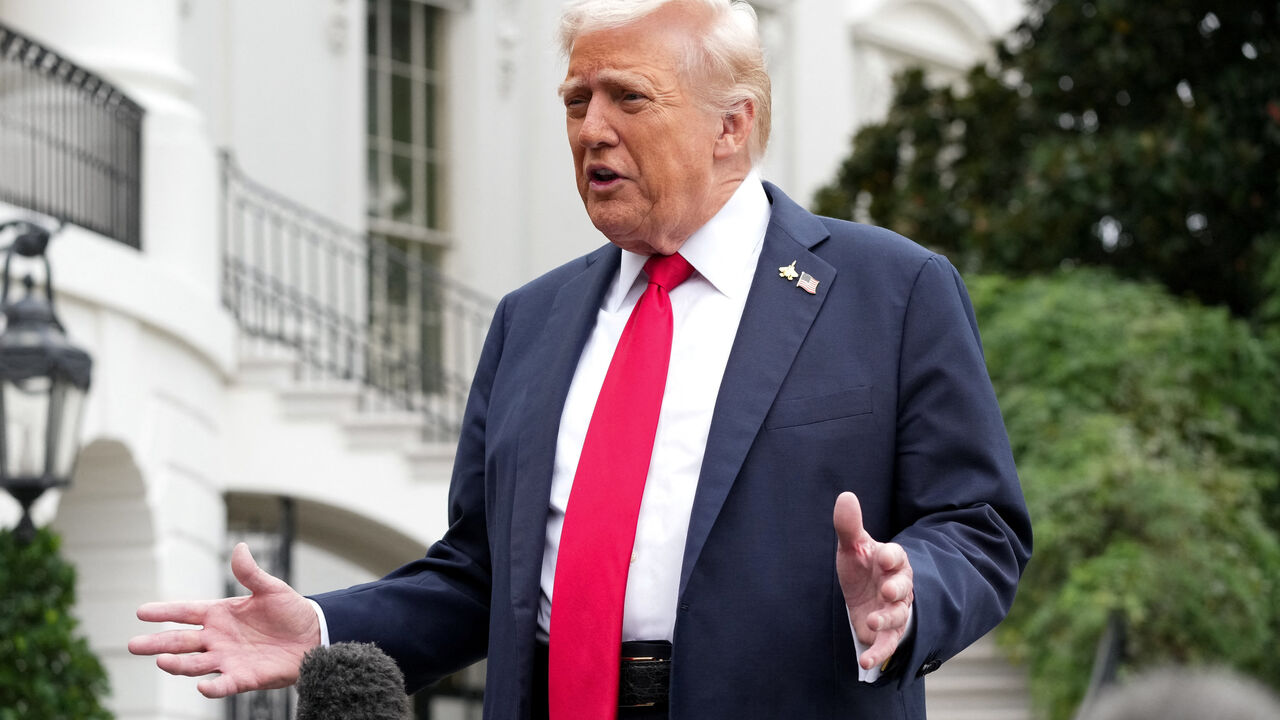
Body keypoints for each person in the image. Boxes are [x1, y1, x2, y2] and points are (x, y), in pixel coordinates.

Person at [129, 0, 1032, 718]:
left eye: (628, 98)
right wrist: (327, 625)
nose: (591, 128)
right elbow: (481, 577)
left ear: (731, 124)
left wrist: (914, 590)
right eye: (575, 101)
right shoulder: (530, 321)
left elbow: (980, 525)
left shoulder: (890, 291)